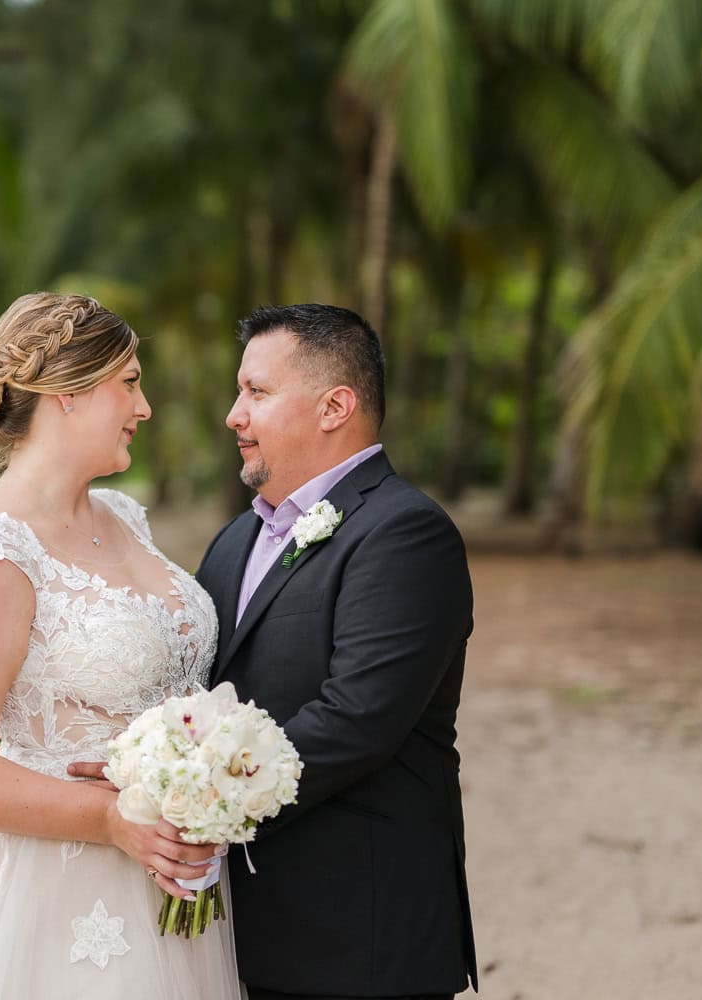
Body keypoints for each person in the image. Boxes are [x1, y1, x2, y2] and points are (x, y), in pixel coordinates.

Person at [0, 292, 243, 999]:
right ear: (68, 394)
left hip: (169, 890)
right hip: (56, 898)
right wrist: (110, 819)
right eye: (130, 383)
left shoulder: (124, 516)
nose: (145, 408)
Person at [195, 303, 478, 999]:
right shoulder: (234, 541)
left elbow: (358, 718)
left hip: (359, 942)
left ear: (335, 406)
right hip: (236, 934)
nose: (235, 414)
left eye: (256, 393)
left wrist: (196, 802)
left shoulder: (405, 533)